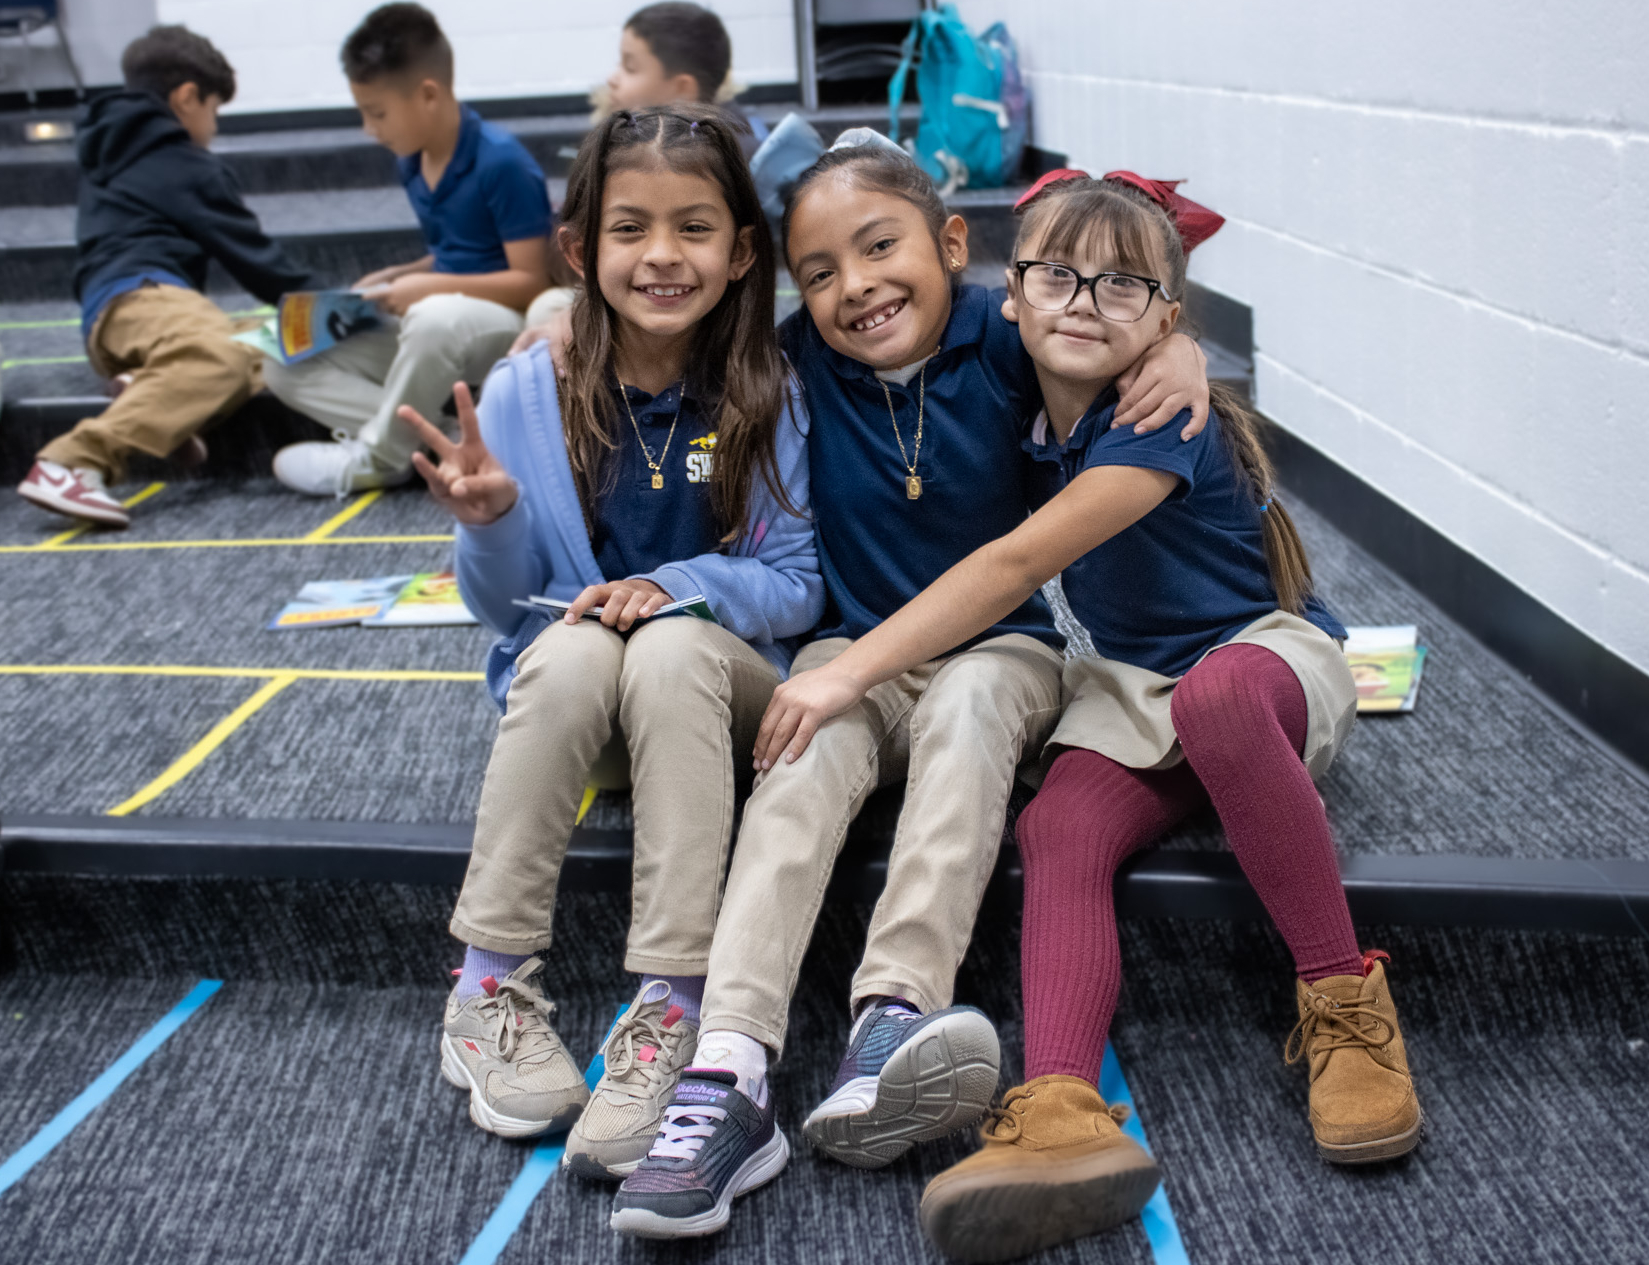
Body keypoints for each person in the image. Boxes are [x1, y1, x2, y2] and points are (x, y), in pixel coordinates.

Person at [752, 170, 1424, 1261]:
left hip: (1254, 664)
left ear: (1167, 317)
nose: (1080, 300)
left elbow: (1018, 557)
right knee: (1056, 827)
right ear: (1008, 295)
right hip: (1128, 688)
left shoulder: (1155, 420)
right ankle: (1058, 1104)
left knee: (1211, 701)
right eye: (1056, 275)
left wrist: (841, 674)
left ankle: (1342, 1000)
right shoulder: (1024, 390)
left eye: (1121, 288)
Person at [607, 134, 1213, 1240]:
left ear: (949, 243)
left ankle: (892, 1019)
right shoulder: (795, 363)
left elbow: (1123, 319)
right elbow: (665, 337)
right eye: (822, 269)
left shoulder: (1009, 331)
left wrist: (1187, 353)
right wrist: (557, 325)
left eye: (879, 247)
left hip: (1004, 647)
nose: (856, 286)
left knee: (972, 709)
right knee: (795, 760)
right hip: (847, 651)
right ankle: (729, 1074)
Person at [412, 103, 823, 1173]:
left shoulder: (770, 390)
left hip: (710, 702)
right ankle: (485, 985)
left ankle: (669, 1006)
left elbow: (795, 582)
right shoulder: (522, 391)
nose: (660, 255)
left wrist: (673, 586)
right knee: (586, 645)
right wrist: (491, 523)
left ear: (740, 252)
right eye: (629, 227)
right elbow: (506, 615)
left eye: (693, 227)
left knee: (672, 642)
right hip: (577, 697)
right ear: (580, 248)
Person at [15, 25, 311, 528]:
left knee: (282, 341)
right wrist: (331, 302)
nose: (214, 127)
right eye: (214, 110)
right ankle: (73, 460)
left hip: (110, 322)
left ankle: (155, 388)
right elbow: (258, 264)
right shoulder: (182, 163)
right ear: (187, 97)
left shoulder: (108, 150)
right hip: (147, 297)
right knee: (230, 353)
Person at [265, 3, 553, 497]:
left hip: (496, 326)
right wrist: (403, 273)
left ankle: (379, 457)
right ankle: (444, 443)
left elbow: (532, 281)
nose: (369, 128)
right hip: (434, 325)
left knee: (434, 316)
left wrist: (428, 286)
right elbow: (456, 253)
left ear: (427, 95)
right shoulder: (413, 160)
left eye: (376, 112)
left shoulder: (502, 163)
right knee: (280, 360)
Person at [521, 3, 764, 347]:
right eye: (630, 228)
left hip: (718, 328)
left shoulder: (736, 162)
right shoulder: (613, 150)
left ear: (682, 89)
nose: (612, 78)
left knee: (548, 308)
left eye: (630, 66)